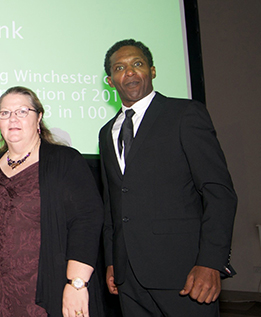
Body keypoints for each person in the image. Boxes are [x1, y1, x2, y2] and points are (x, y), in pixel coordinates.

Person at [99, 39, 237, 316]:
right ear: (110, 81)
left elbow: (219, 192)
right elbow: (112, 205)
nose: (129, 72)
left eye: (137, 64)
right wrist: (113, 261)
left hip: (185, 274)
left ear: (152, 71)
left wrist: (211, 262)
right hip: (129, 279)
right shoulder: (106, 132)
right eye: (120, 68)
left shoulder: (184, 114)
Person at [0, 86, 104, 317]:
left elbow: (86, 221)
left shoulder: (64, 160)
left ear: (39, 117)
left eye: (22, 111)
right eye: (4, 113)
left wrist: (77, 283)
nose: (12, 118)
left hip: (44, 294)